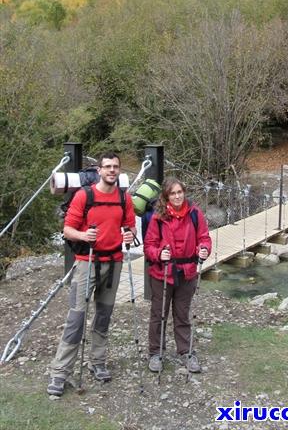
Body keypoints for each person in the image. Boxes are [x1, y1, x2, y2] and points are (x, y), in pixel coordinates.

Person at [47, 151, 135, 397]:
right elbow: (67, 230)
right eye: (107, 167)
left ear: (119, 170)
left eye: (115, 167)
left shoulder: (124, 197)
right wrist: (84, 236)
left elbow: (129, 225)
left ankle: (98, 363)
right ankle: (60, 372)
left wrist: (129, 234)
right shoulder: (84, 196)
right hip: (87, 262)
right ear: (99, 170)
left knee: (104, 316)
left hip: (114, 261)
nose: (111, 171)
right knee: (76, 319)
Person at [144, 177, 211, 374]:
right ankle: (155, 353)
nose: (177, 196)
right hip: (162, 273)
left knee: (182, 314)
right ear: (166, 196)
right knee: (159, 314)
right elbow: (149, 246)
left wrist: (204, 249)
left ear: (184, 192)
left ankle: (186, 352)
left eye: (179, 192)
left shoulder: (195, 213)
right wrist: (159, 254)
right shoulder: (158, 217)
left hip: (187, 272)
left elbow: (204, 237)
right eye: (172, 193)